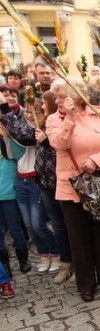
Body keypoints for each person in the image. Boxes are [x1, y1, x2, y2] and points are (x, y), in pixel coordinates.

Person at [46, 77, 100, 302]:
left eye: (62, 96)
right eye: (56, 97)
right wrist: (68, 118)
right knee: (79, 237)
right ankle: (86, 284)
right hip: (72, 186)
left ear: (76, 96)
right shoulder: (54, 120)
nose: (57, 101)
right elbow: (59, 144)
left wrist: (96, 161)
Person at [0, 90, 60, 273]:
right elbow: (13, 155)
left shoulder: (40, 131)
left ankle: (55, 252)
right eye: (26, 111)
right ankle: (43, 254)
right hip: (21, 180)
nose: (30, 115)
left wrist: (4, 107)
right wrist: (6, 138)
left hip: (35, 181)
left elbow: (24, 137)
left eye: (35, 112)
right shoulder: (23, 128)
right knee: (28, 225)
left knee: (37, 223)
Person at [35, 91, 73, 283]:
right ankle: (66, 264)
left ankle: (79, 264)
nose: (42, 106)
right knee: (58, 226)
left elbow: (62, 150)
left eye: (44, 102)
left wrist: (46, 142)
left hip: (63, 181)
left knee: (71, 225)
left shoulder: (60, 121)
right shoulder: (45, 122)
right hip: (46, 183)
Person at [0, 89, 33, 276]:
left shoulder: (8, 135)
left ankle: (23, 258)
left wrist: (6, 138)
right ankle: (4, 265)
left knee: (15, 229)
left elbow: (19, 155)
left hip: (9, 192)